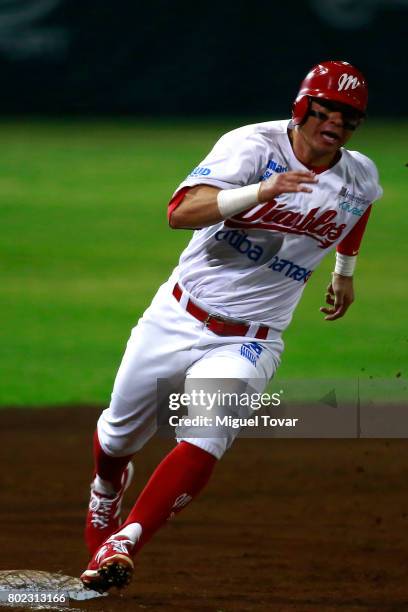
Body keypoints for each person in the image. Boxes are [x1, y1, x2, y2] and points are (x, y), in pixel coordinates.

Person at [80, 60, 383, 592]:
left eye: (348, 115)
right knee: (119, 434)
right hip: (177, 313)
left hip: (252, 337)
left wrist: (345, 270)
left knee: (206, 435)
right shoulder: (252, 147)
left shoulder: (360, 173)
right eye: (326, 108)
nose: (335, 121)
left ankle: (125, 540)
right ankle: (107, 488)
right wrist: (261, 192)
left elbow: (359, 208)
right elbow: (180, 210)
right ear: (302, 105)